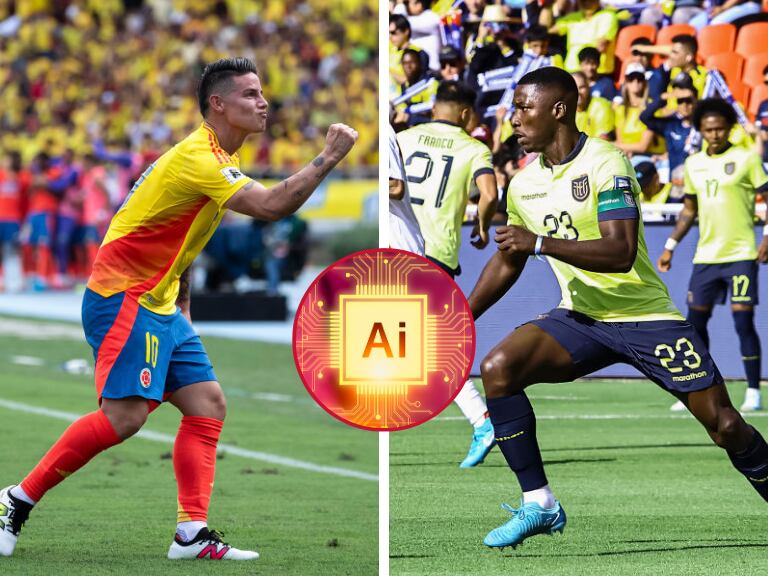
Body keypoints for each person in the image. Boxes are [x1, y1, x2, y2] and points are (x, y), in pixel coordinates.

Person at [0, 57, 358, 560]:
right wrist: (330, 156)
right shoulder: (201, 158)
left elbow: (181, 238)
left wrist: (182, 306)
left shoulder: (213, 158)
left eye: (262, 93)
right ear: (218, 103)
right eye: (251, 94)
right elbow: (273, 205)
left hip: (159, 304)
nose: (264, 103)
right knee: (124, 418)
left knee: (207, 403)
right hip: (123, 297)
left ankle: (191, 533)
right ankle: (15, 500)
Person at [468, 66, 768, 550]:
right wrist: (460, 318)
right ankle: (539, 503)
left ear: (559, 109)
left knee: (726, 426)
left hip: (648, 319)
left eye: (525, 108)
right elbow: (508, 259)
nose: (514, 119)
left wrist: (540, 241)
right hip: (583, 318)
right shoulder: (522, 184)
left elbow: (620, 251)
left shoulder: (607, 162)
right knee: (498, 368)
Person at [396, 81, 500, 467]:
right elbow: (489, 194)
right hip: (436, 254)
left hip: (402, 249)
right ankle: (482, 420)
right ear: (465, 114)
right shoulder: (474, 148)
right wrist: (484, 226)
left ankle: (483, 420)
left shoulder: (404, 139)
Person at [658, 99, 768, 412]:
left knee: (743, 321)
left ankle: (752, 391)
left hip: (741, 253)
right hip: (706, 256)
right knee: (694, 324)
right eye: (708, 130)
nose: (714, 134)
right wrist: (669, 246)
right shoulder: (694, 164)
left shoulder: (746, 159)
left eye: (719, 128)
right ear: (700, 131)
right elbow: (689, 210)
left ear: (730, 127)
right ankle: (699, 390)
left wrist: (767, 238)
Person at [572, 71, 614, 140]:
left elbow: (603, 140)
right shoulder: (566, 110)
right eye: (573, 87)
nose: (578, 92)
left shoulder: (601, 105)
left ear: (588, 87)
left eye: (582, 87)